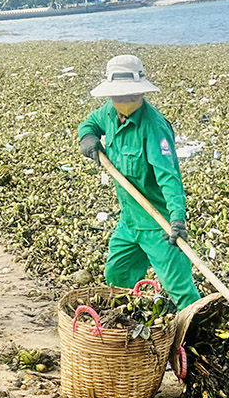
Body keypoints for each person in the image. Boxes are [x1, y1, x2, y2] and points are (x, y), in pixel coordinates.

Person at [78, 55, 200, 310]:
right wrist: (88, 139)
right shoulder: (109, 114)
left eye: (130, 96)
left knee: (180, 290)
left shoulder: (154, 127)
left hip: (158, 223)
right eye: (118, 96)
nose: (124, 102)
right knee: (117, 274)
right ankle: (130, 319)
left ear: (141, 93)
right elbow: (90, 123)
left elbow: (169, 176)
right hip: (129, 219)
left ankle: (194, 335)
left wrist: (177, 219)